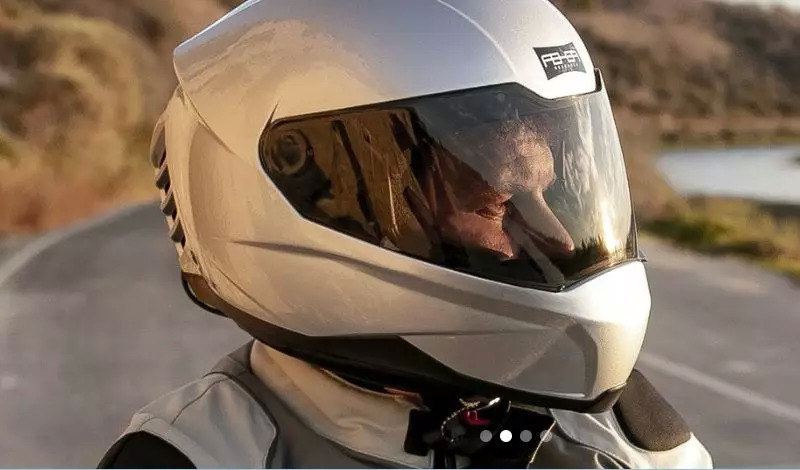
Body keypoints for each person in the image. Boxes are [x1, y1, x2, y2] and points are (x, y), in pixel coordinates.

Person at [99, 0, 714, 468]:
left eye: (553, 195)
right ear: (315, 197)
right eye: (499, 202)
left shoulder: (630, 437)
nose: (559, 239)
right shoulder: (190, 458)